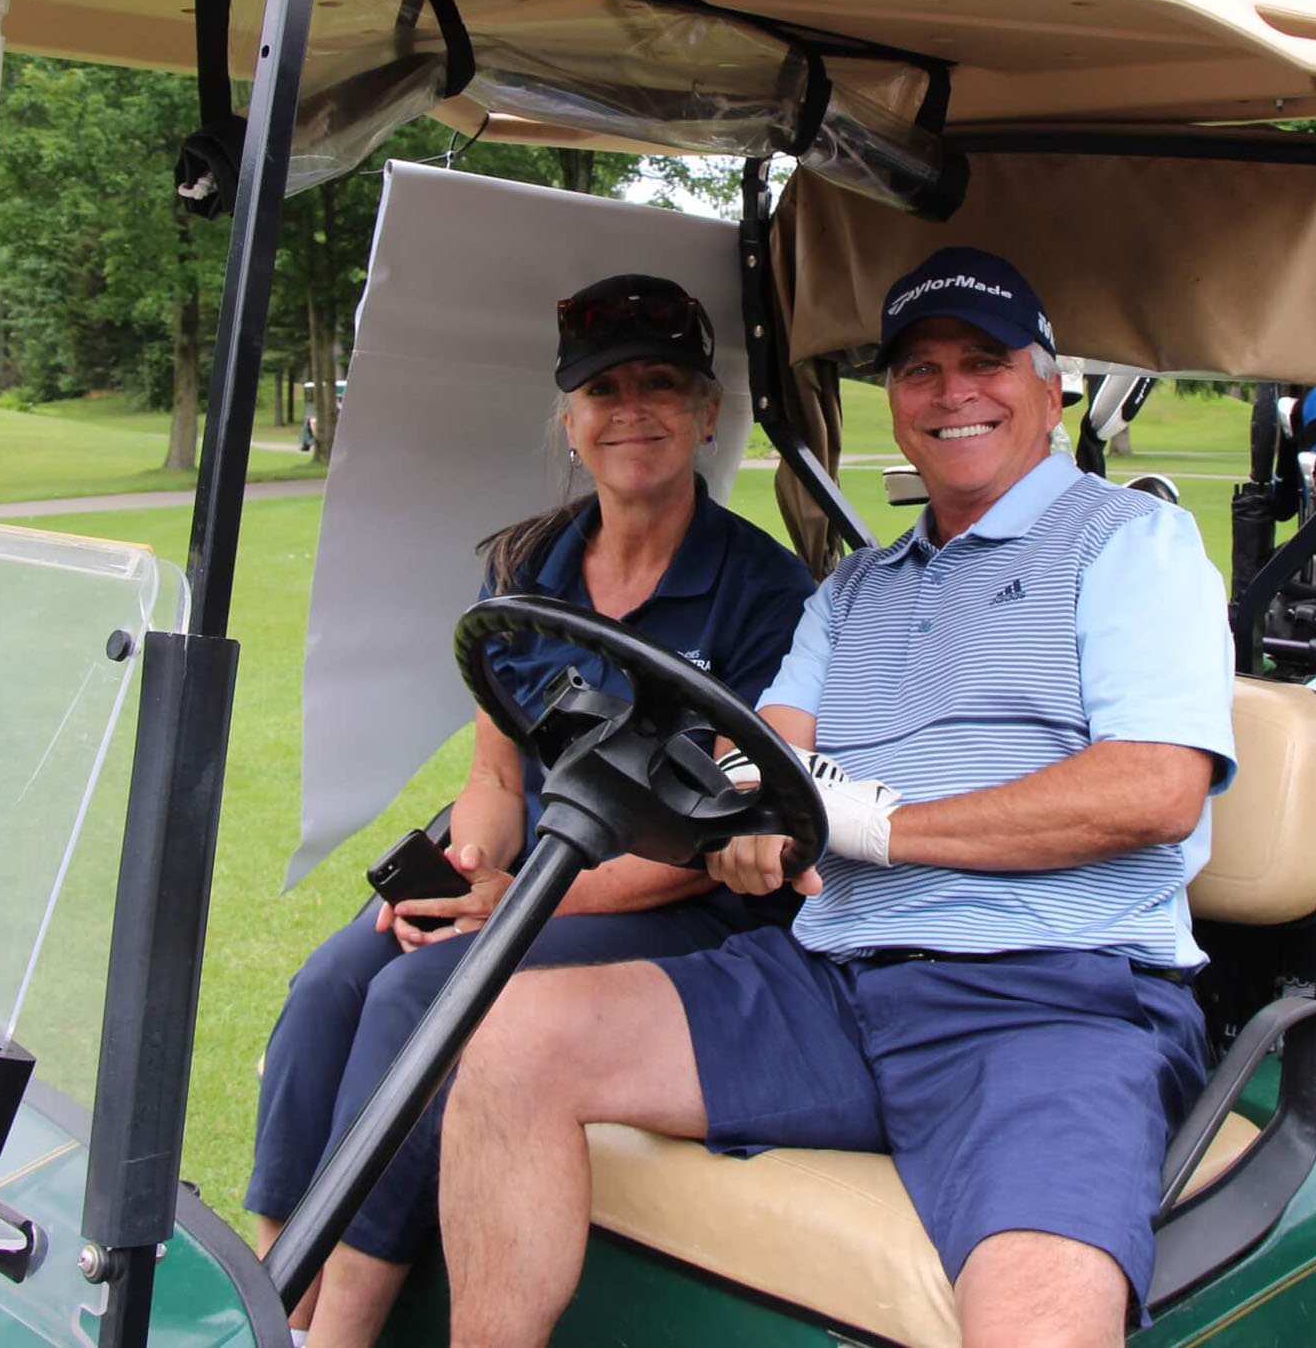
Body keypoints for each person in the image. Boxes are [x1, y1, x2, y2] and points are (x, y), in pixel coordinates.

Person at [434, 247, 1238, 1348]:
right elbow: (760, 760)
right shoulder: (856, 588)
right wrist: (738, 823)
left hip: (1048, 1002)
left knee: (1039, 1319)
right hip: (830, 983)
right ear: (894, 405)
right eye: (918, 370)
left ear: (1048, 390)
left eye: (984, 361)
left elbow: (1153, 789)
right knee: (510, 1030)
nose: (952, 392)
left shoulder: (1128, 543)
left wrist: (879, 827)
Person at [249, 273, 815, 1348]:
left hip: (682, 898)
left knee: (421, 996)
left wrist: (516, 909)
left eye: (662, 384)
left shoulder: (766, 597)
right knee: (333, 984)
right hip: (539, 871)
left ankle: (338, 1333)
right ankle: (272, 1281)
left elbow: (721, 837)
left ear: (706, 415)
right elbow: (499, 778)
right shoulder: (526, 567)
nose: (631, 409)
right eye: (604, 389)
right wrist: (466, 874)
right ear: (568, 420)